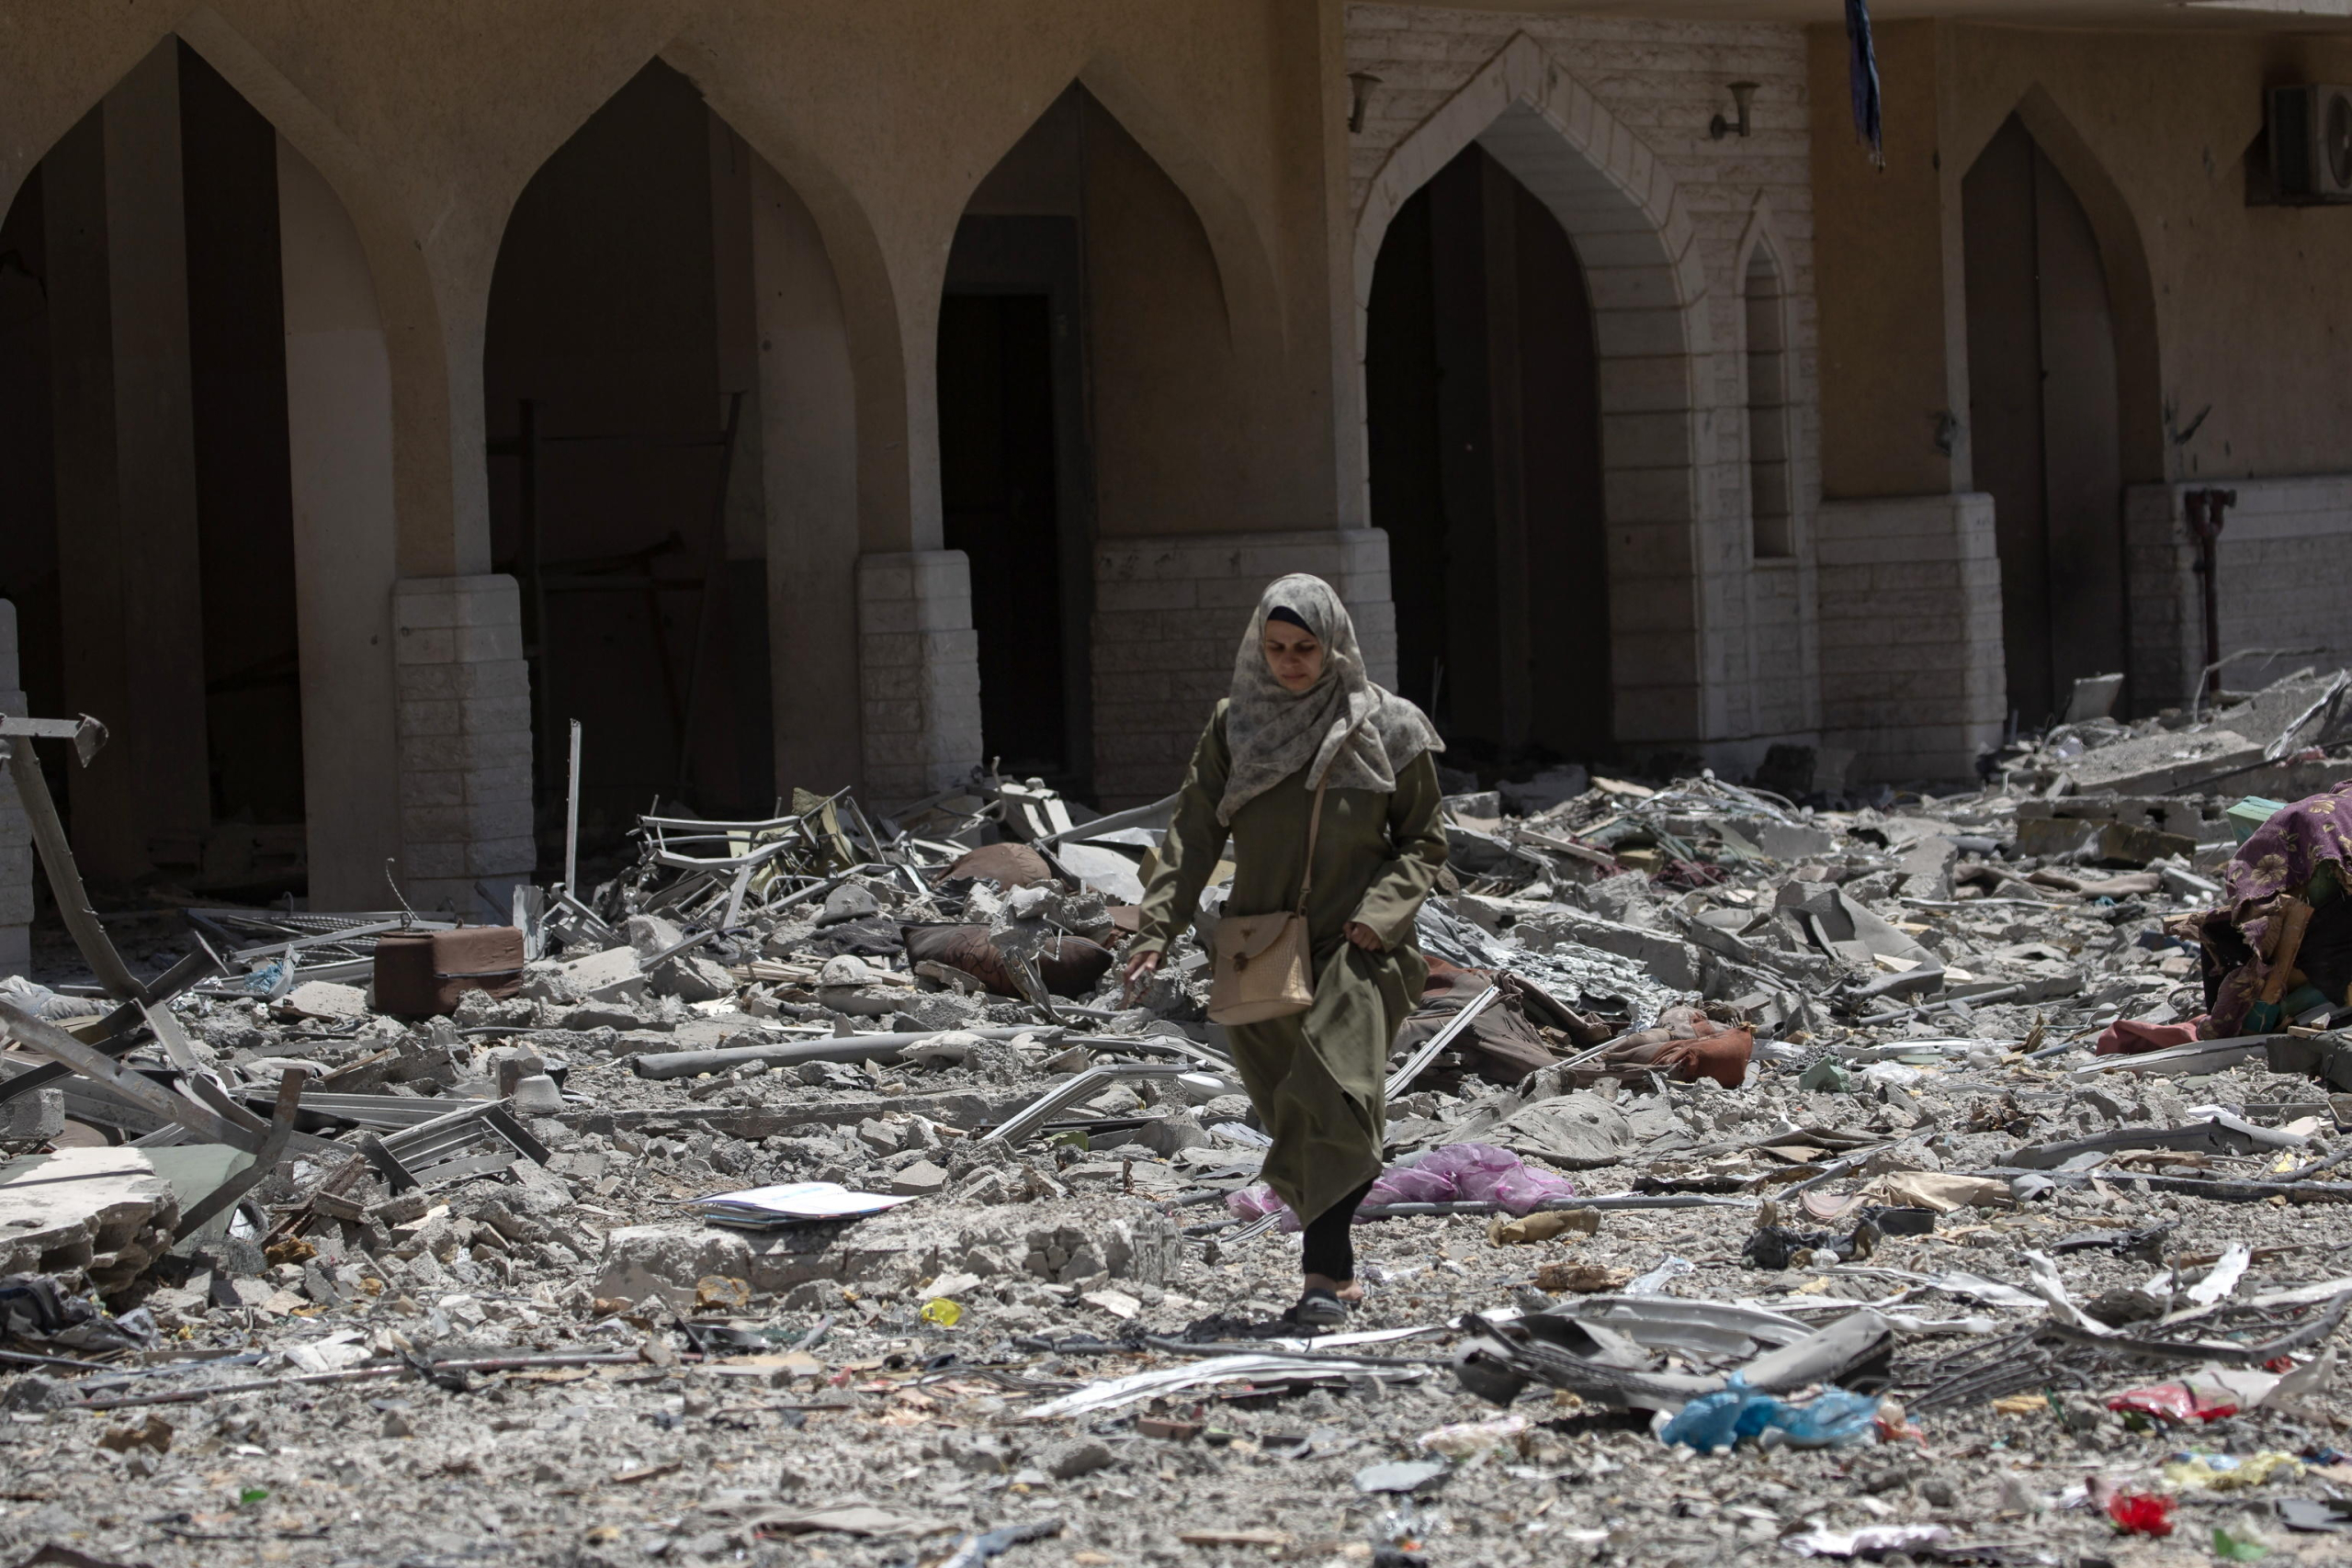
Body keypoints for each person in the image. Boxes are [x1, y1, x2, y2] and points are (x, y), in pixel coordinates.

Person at [1123, 574, 1447, 1325]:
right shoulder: (1236, 726)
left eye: (1306, 647)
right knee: (1288, 1110)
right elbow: (1193, 833)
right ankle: (1339, 1265)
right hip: (1260, 946)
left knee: (1330, 1090)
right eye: (1277, 648)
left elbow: (1425, 838)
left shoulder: (1390, 728)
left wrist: (1384, 911)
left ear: (1335, 643)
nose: (1292, 662)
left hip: (1359, 947)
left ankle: (1321, 1278)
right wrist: (1155, 930)